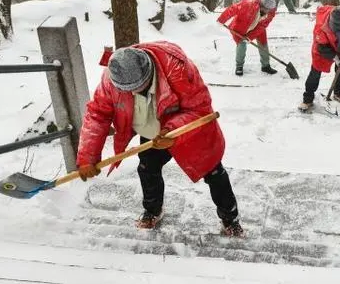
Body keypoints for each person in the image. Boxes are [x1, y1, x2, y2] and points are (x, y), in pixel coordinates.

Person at [76, 41, 244, 237]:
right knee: (147, 169)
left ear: (148, 72)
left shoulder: (177, 69)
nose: (132, 93)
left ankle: (230, 219)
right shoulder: (112, 78)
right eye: (126, 90)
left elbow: (200, 108)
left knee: (215, 174)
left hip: (190, 131)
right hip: (150, 133)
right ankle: (152, 210)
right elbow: (97, 114)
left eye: (138, 87)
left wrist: (173, 130)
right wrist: (87, 157)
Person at [299, 5, 340, 112]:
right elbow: (321, 47)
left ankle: (339, 94)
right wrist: (335, 57)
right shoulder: (321, 27)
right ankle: (307, 99)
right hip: (323, 48)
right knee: (315, 72)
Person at [217, 0, 278, 76]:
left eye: (270, 9)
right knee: (241, 45)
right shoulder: (248, 4)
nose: (268, 11)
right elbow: (232, 9)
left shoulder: (271, 11)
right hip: (241, 27)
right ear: (262, 5)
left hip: (257, 27)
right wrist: (222, 19)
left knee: (263, 43)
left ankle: (266, 66)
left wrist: (250, 37)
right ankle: (239, 66)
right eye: (267, 9)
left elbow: (263, 25)